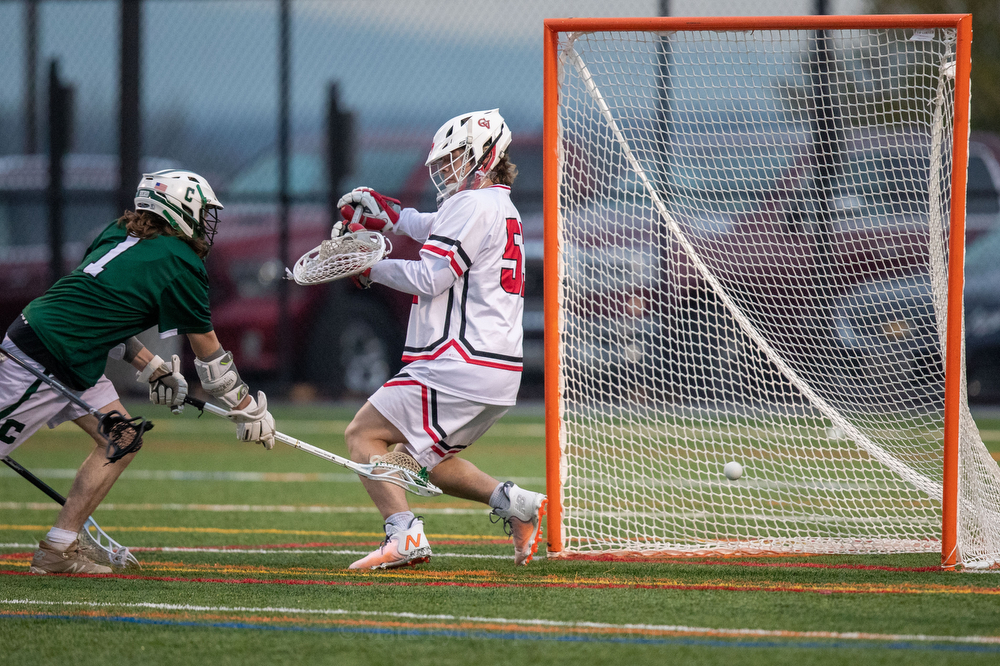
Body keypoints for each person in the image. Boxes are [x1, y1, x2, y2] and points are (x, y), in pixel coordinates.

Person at [0, 169, 276, 575]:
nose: (205, 224)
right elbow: (211, 357)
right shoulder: (181, 262)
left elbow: (104, 317)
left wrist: (152, 369)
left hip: (71, 352)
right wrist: (246, 407)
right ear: (178, 210)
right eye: (201, 212)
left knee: (122, 437)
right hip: (44, 357)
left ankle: (59, 548)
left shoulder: (116, 233)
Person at [334, 109, 546, 570]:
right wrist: (394, 217)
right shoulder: (497, 207)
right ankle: (518, 506)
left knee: (363, 435)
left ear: (484, 158)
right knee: (425, 461)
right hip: (495, 372)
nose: (445, 170)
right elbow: (437, 227)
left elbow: (432, 277)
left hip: (458, 363)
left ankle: (404, 535)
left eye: (455, 159)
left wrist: (369, 267)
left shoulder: (473, 205)